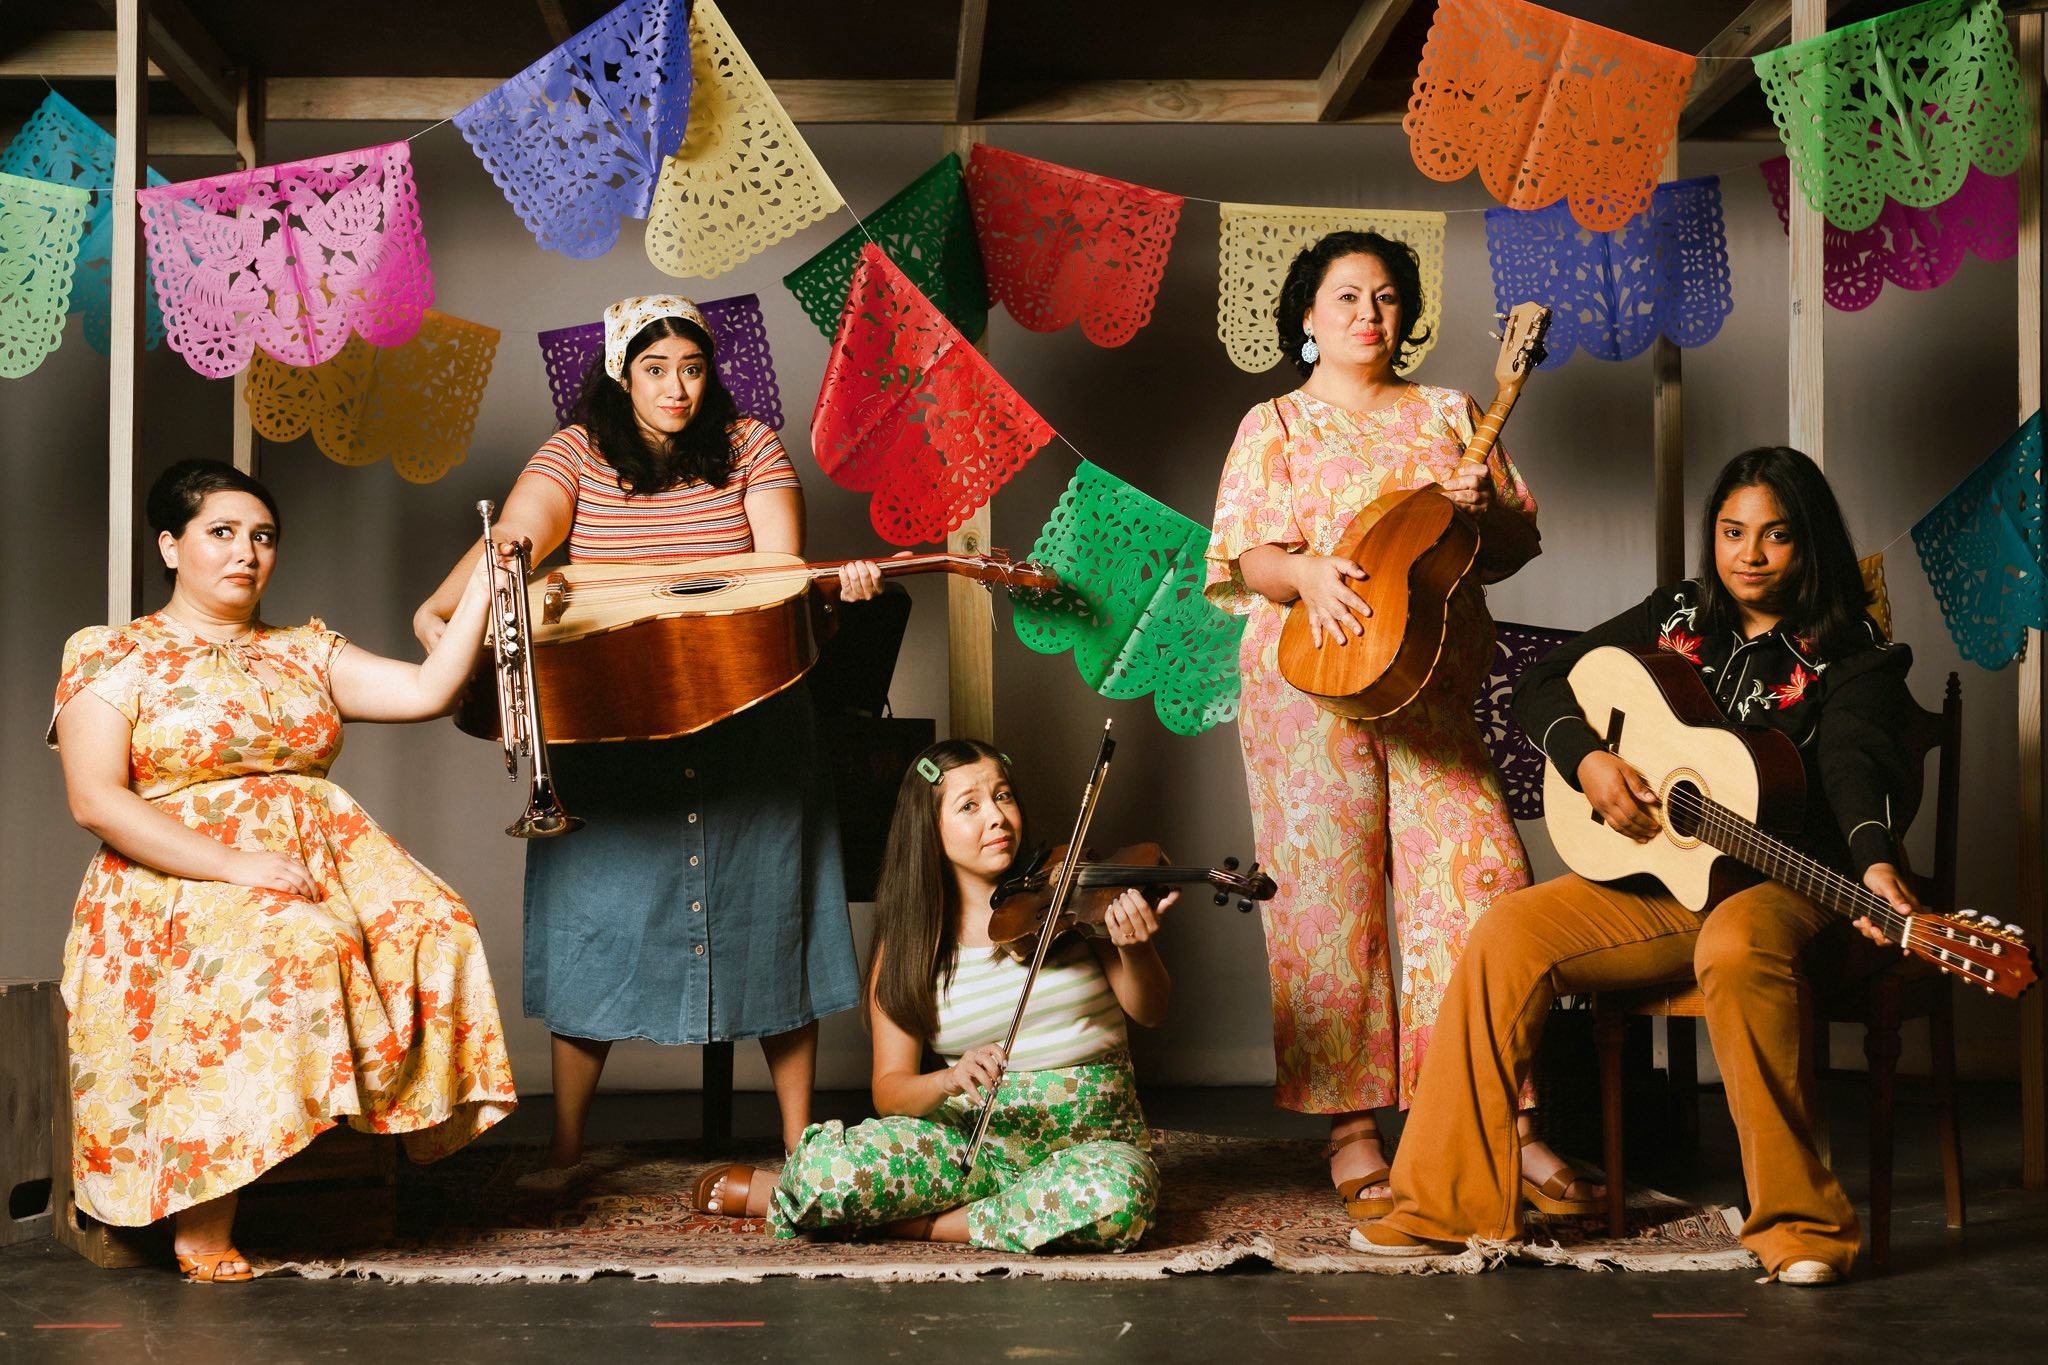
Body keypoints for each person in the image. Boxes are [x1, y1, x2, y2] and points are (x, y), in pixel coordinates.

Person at [1357, 446, 1921, 1287]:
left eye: (1775, 536)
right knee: (1508, 930)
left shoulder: (1853, 650)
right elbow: (1546, 680)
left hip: (1785, 886)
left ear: (1812, 545)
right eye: (1732, 532)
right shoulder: (1679, 614)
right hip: (1667, 882)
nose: (1749, 555)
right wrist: (1588, 760)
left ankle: (1802, 1228)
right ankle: (1442, 1205)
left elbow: (1854, 763)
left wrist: (1874, 862)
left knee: (1734, 943)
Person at [414, 294, 882, 1182]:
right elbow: (521, 532)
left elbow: (779, 572)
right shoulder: (574, 452)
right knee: (596, 922)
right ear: (620, 373)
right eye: (656, 370)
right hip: (615, 721)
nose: (677, 388)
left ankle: (798, 1147)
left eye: (693, 369)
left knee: (774, 922)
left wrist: (832, 587)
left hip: (753, 718)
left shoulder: (752, 446)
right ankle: (565, 1149)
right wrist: (456, 602)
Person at [50, 460, 519, 1283]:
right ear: (170, 545)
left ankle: (363, 1160)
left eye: (262, 537)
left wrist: (492, 561)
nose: (246, 553)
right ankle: (203, 1219)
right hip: (175, 879)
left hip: (322, 858)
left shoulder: (305, 649)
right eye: (221, 533)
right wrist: (237, 865)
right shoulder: (112, 651)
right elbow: (95, 799)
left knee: (434, 926)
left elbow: (432, 687)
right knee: (303, 945)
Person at [1204, 230, 1587, 1219]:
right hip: (1305, 688)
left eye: (1383, 298)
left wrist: (1480, 508)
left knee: (1481, 890)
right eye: (1344, 298)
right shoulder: (1271, 424)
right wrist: (1305, 575)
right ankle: (1351, 1131)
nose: (1366, 314)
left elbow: (1507, 544)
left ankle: (1506, 1122)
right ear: (1304, 318)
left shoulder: (1450, 413)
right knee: (1326, 910)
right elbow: (1242, 559)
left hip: (1433, 688)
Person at [693, 740, 1170, 1254]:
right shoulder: (910, 947)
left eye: (1003, 796)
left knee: (1120, 1198)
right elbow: (890, 1090)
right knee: (827, 1172)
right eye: (970, 805)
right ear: (930, 829)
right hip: (971, 1146)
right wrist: (948, 1078)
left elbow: (1151, 1010)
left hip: (1093, 1145)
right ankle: (999, 1214)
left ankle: (917, 1226)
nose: (998, 817)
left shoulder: (1070, 903)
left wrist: (1137, 950)